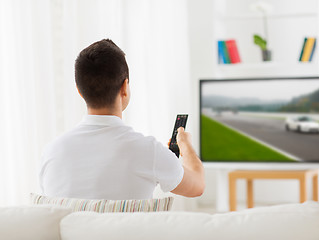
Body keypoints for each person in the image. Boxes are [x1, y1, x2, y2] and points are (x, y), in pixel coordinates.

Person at [39, 39, 205, 200]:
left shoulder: (52, 153)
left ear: (80, 91)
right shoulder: (149, 151)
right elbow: (197, 186)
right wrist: (185, 145)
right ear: (124, 87)